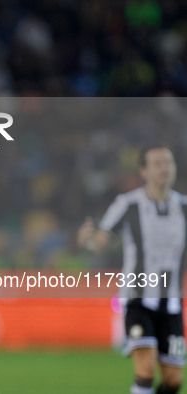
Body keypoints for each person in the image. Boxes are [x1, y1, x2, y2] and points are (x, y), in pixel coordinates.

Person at [78, 145, 186, 394]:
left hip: (172, 304)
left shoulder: (184, 206)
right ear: (143, 171)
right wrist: (87, 241)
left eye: (168, 162)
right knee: (146, 371)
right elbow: (100, 242)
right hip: (137, 299)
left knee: (173, 381)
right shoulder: (127, 204)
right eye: (157, 163)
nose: (164, 168)